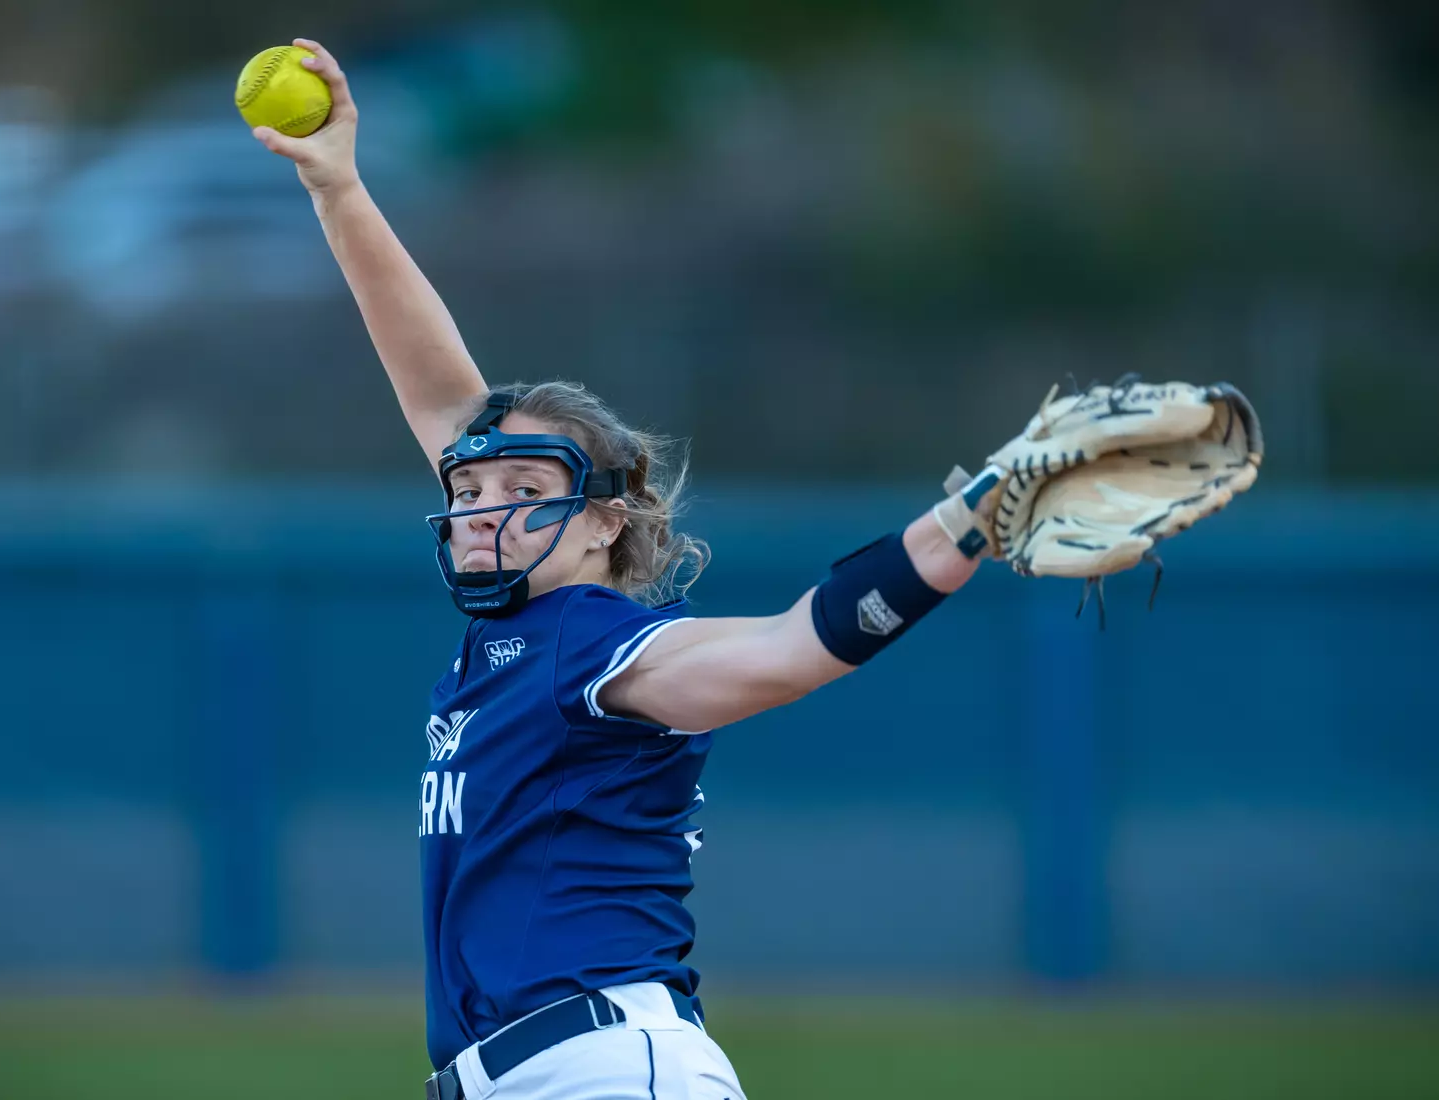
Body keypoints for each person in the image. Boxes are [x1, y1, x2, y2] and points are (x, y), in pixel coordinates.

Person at [254, 37, 990, 1100]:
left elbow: (789, 650)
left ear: (605, 523)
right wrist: (339, 192)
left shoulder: (594, 644)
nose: (481, 511)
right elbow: (437, 396)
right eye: (469, 492)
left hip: (601, 1067)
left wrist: (967, 522)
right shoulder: (505, 648)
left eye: (523, 492)